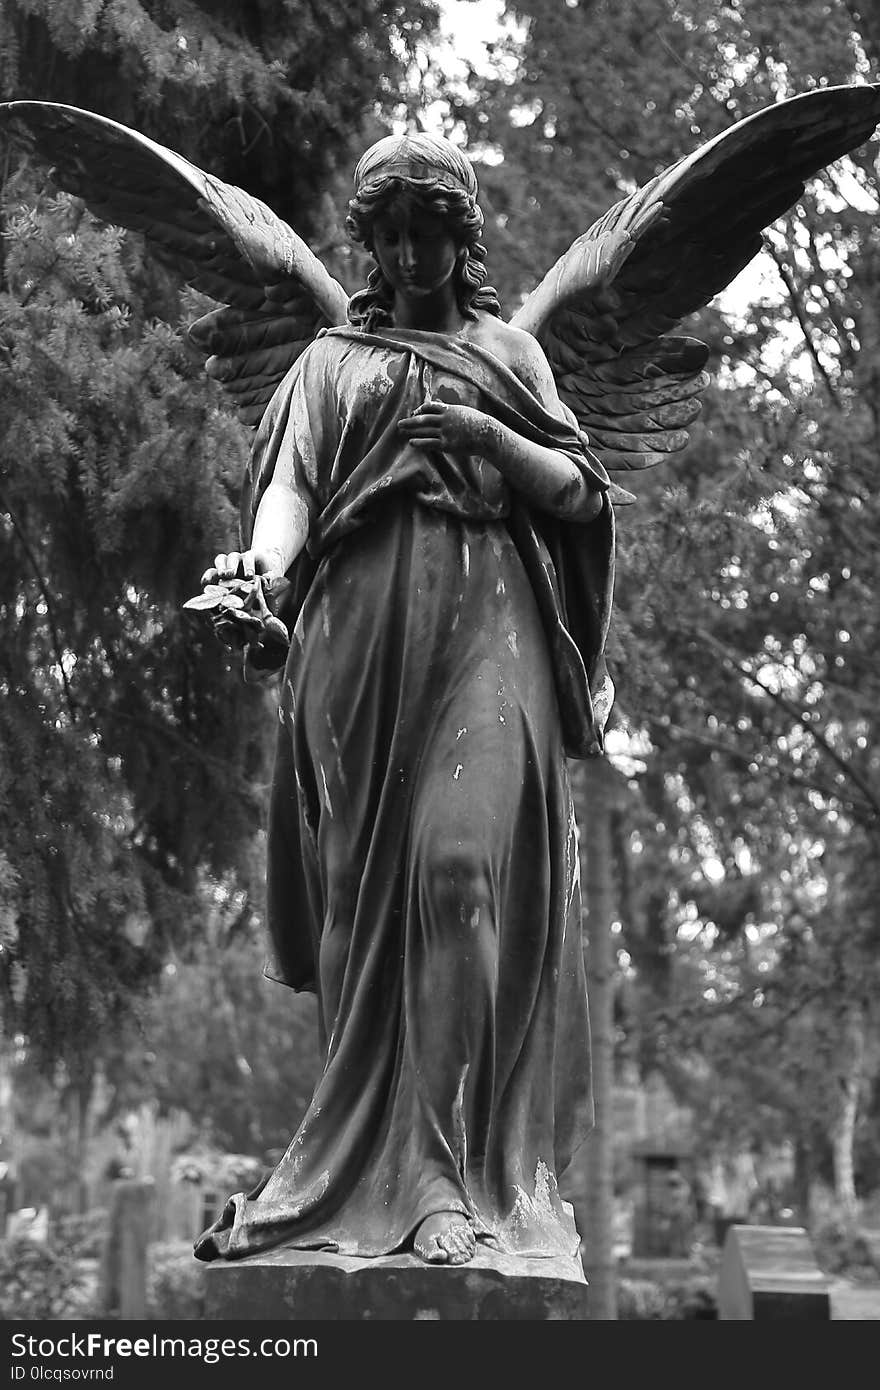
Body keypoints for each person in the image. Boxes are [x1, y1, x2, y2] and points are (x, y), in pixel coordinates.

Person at [193, 133, 616, 1267]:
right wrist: (262, 575)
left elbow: (579, 486)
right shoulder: (327, 363)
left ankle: (447, 1171)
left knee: (457, 873)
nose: (407, 250)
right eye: (386, 231)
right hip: (356, 642)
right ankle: (372, 1172)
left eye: (429, 227)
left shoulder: (512, 355)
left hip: (489, 628)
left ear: (459, 236)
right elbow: (287, 488)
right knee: (358, 905)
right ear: (368, 244)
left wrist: (486, 437)